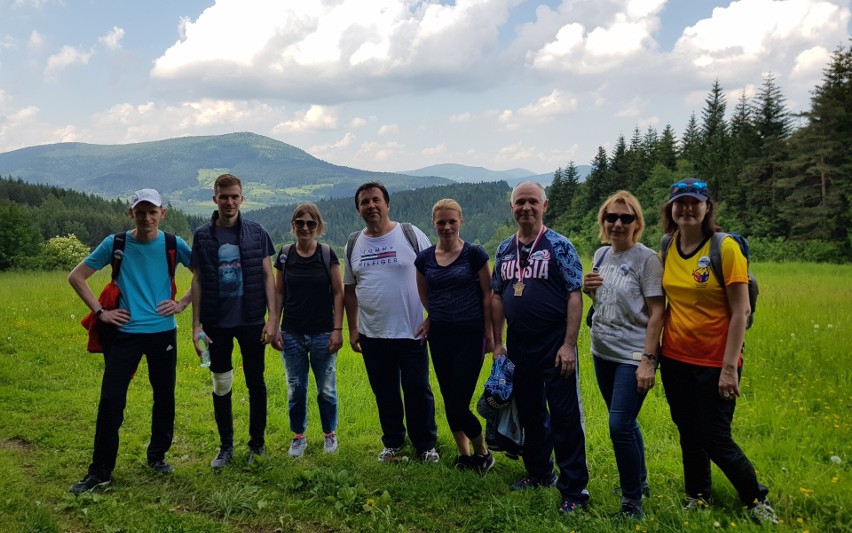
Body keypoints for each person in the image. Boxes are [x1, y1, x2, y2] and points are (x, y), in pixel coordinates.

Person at [658, 178, 778, 524]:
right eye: (679, 203)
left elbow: (741, 311)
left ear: (708, 207)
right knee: (688, 431)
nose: (686, 208)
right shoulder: (668, 245)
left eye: (695, 202)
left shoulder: (724, 249)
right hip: (676, 358)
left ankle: (756, 498)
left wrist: (729, 367)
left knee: (715, 437)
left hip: (716, 361)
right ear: (671, 210)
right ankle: (697, 495)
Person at [67, 188, 192, 493]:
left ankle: (158, 456)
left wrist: (182, 303)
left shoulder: (174, 244)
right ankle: (100, 471)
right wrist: (100, 312)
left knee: (164, 397)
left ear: (163, 213)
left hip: (163, 332)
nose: (147, 218)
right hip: (124, 335)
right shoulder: (116, 243)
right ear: (131, 213)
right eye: (141, 212)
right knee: (111, 401)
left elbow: (205, 273)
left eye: (153, 212)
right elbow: (76, 276)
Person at [490, 181, 589, 513]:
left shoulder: (559, 246)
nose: (526, 207)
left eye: (533, 201)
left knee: (564, 417)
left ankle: (574, 490)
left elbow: (575, 293)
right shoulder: (505, 249)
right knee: (531, 413)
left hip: (554, 344)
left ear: (544, 206)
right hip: (518, 345)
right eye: (520, 202)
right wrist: (498, 343)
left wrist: (569, 345)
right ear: (512, 207)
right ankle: (539, 472)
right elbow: (496, 295)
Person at [343, 181, 439, 463]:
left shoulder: (410, 234)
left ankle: (425, 445)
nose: (371, 205)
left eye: (376, 200)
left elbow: (435, 273)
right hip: (372, 334)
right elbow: (349, 289)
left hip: (412, 331)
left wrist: (433, 317)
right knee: (384, 393)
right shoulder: (353, 243)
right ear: (358, 209)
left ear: (387, 204)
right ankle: (393, 442)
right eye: (364, 202)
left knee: (418, 391)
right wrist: (352, 328)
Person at [582, 191, 665, 518]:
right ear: (603, 222)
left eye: (625, 218)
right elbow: (606, 303)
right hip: (601, 351)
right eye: (611, 218)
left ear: (637, 223)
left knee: (618, 425)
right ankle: (640, 482)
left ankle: (632, 503)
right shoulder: (601, 255)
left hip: (632, 355)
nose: (617, 223)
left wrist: (648, 360)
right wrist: (590, 290)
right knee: (626, 423)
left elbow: (657, 312)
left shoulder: (647, 260)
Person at [190, 173, 278, 469]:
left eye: (234, 196)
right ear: (214, 199)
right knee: (221, 383)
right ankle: (225, 446)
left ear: (242, 198)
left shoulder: (256, 232)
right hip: (216, 323)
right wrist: (196, 326)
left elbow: (268, 276)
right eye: (223, 196)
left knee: (256, 383)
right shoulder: (202, 235)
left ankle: (257, 444)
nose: (229, 201)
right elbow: (198, 280)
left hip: (252, 320)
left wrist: (273, 318)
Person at [414, 198, 494, 472]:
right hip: (440, 337)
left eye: (452, 221)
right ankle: (465, 454)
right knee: (449, 400)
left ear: (461, 221)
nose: (447, 227)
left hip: (470, 335)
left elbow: (488, 296)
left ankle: (483, 452)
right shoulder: (424, 259)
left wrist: (490, 335)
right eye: (441, 222)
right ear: (433, 224)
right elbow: (425, 295)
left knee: (459, 403)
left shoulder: (475, 254)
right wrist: (434, 317)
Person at [271, 202, 344, 458]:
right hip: (291, 332)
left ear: (318, 226)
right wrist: (273, 325)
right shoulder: (284, 255)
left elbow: (338, 292)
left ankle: (329, 434)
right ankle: (298, 436)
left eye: (310, 223)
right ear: (293, 226)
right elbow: (279, 292)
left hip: (324, 332)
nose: (305, 227)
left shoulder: (327, 254)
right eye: (300, 223)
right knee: (296, 387)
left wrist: (338, 329)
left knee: (326, 389)